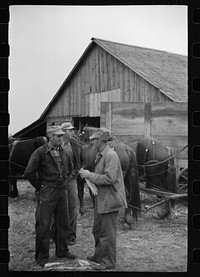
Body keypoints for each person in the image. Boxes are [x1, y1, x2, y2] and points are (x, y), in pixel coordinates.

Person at [24, 126, 76, 267]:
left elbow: (70, 169)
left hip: (62, 191)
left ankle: (62, 251)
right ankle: (42, 257)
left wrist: (64, 180)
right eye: (58, 136)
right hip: (47, 192)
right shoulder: (40, 152)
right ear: (51, 137)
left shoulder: (63, 152)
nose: (61, 138)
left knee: (63, 223)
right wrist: (40, 187)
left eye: (61, 136)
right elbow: (29, 172)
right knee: (43, 225)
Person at [79, 127, 127, 270]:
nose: (92, 141)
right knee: (97, 230)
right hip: (102, 199)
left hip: (110, 200)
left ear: (100, 141)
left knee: (107, 233)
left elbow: (110, 179)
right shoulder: (100, 154)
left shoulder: (111, 155)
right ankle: (99, 255)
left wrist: (89, 175)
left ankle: (108, 262)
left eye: (94, 139)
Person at [60, 121, 83, 245]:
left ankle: (71, 236)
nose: (72, 132)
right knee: (58, 208)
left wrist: (78, 169)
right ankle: (56, 234)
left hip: (72, 180)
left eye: (72, 130)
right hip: (59, 182)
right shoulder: (56, 145)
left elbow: (83, 158)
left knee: (73, 207)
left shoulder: (75, 145)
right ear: (63, 132)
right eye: (69, 130)